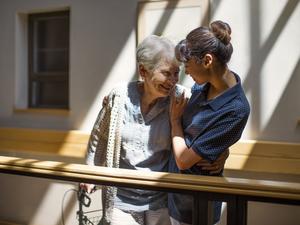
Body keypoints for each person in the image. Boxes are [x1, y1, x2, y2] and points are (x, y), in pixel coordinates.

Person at [81, 35, 229, 225]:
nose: (173, 80)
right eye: (166, 73)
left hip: (162, 200)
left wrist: (221, 152)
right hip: (121, 199)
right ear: (143, 70)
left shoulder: (181, 98)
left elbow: (208, 129)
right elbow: (99, 136)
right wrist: (90, 171)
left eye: (176, 73)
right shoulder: (120, 96)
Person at [168, 20, 250, 225]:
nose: (186, 72)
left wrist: (175, 120)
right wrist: (218, 149)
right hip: (175, 196)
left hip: (198, 205)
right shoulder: (202, 86)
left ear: (207, 60)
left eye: (188, 65)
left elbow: (184, 160)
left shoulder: (236, 109)